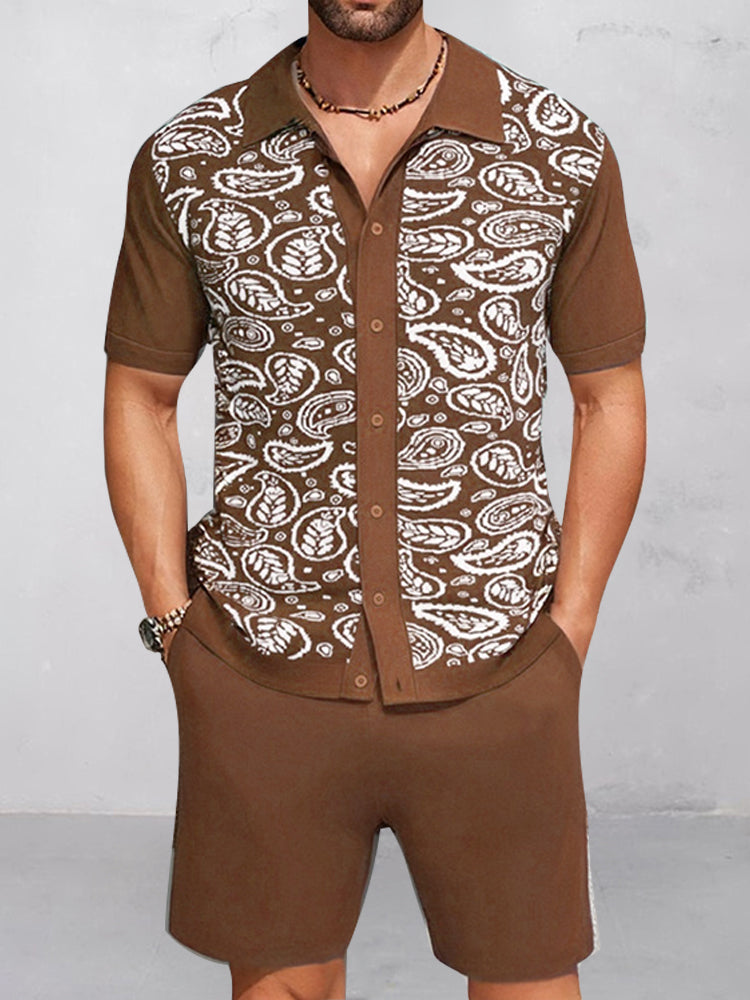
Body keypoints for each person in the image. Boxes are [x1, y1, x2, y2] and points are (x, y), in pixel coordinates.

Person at [103, 1, 647, 997]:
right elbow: (142, 396)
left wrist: (568, 632)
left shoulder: (556, 147)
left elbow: (608, 398)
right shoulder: (192, 157)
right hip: (263, 681)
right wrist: (177, 630)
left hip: (499, 675)